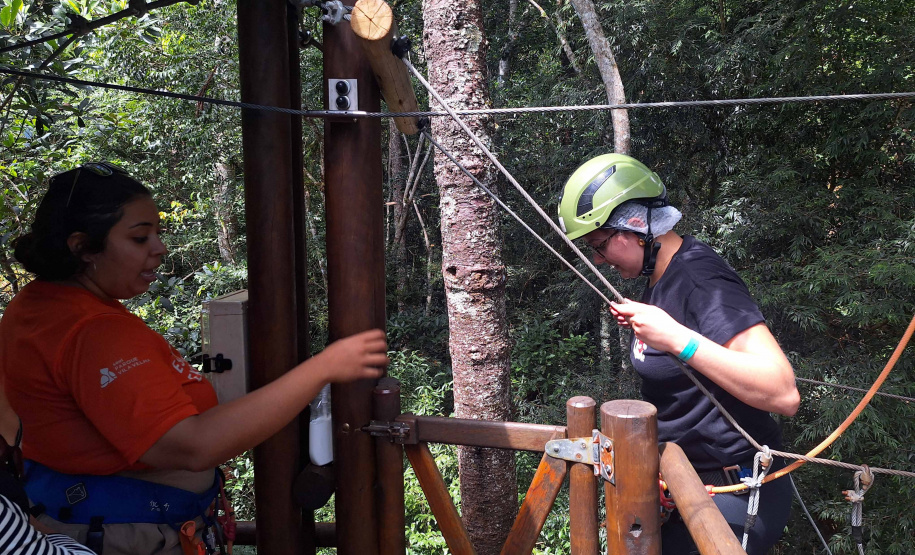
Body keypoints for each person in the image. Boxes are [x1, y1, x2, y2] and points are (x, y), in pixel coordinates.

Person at [0, 162, 390, 554]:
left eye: (157, 232)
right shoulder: (94, 331)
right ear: (82, 247)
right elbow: (193, 445)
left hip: (75, 515)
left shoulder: (34, 305)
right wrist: (324, 367)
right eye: (139, 238)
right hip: (129, 535)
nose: (159, 248)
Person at [557, 154, 800, 554]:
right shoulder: (659, 279)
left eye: (599, 246)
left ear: (634, 227)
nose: (598, 260)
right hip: (686, 482)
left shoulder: (698, 276)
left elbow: (783, 392)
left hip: (736, 490)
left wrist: (676, 338)